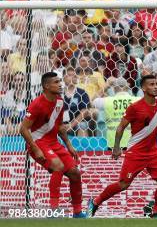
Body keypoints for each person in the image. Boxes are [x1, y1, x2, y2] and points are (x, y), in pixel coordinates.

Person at [88, 75, 157, 217]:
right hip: (136, 152)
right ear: (143, 88)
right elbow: (120, 127)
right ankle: (95, 202)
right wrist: (116, 147)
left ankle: (156, 212)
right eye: (152, 84)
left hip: (153, 152)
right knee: (123, 184)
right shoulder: (135, 107)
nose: (156, 86)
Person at [19, 72, 86, 217]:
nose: (60, 84)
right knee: (58, 166)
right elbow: (23, 129)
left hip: (54, 143)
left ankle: (78, 212)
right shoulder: (37, 104)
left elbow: (60, 126)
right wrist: (35, 149)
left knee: (75, 173)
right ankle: (53, 211)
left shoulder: (60, 101)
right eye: (56, 82)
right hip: (37, 142)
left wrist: (69, 145)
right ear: (46, 86)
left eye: (60, 81)